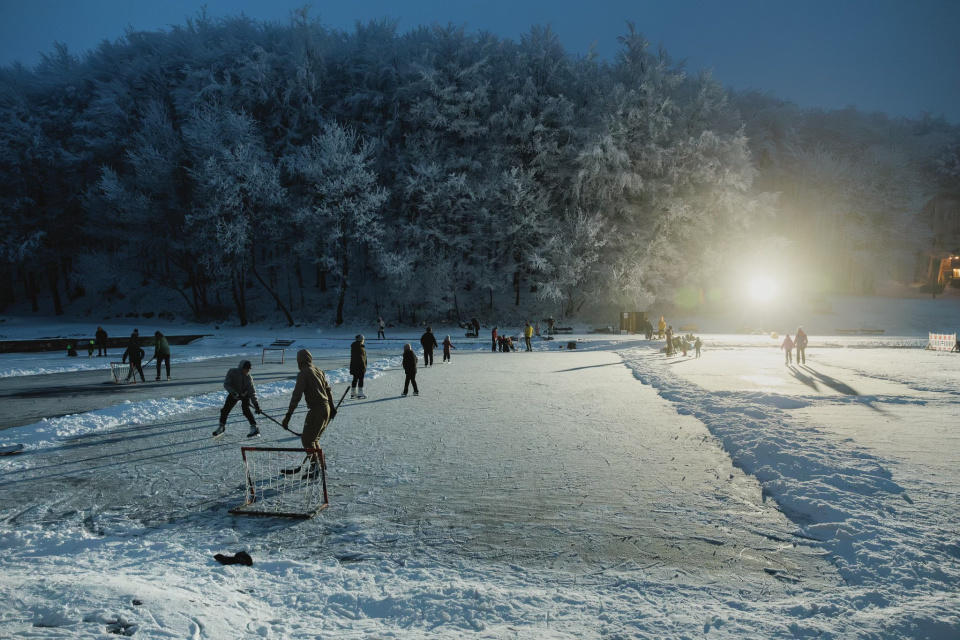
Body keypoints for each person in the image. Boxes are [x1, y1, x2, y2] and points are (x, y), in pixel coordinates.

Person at [282, 349, 337, 478]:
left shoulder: (303, 373)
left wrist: (288, 416)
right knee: (314, 439)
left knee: (307, 440)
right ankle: (321, 465)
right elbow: (328, 391)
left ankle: (315, 468)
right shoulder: (318, 370)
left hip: (317, 409)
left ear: (299, 361)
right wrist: (332, 408)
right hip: (326, 407)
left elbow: (296, 395)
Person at [213, 360, 262, 437]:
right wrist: (234, 393)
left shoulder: (248, 377)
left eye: (249, 369)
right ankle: (221, 427)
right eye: (246, 369)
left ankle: (254, 427)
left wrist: (256, 405)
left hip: (245, 394)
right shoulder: (232, 372)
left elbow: (252, 392)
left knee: (246, 410)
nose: (248, 371)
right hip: (234, 393)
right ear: (242, 368)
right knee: (225, 410)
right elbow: (226, 384)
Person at [350, 334, 367, 399]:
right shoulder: (359, 347)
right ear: (361, 340)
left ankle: (353, 391)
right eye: (363, 339)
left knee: (355, 378)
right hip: (359, 365)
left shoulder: (355, 346)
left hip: (354, 365)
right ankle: (360, 392)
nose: (363, 340)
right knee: (360, 378)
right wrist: (363, 367)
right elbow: (361, 358)